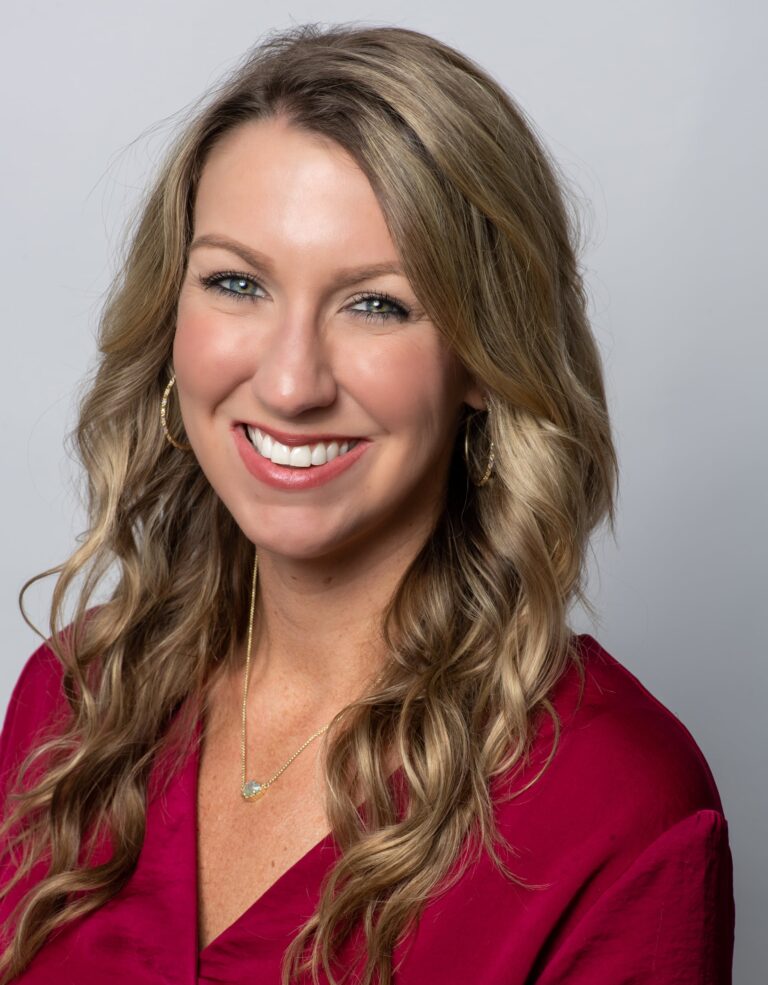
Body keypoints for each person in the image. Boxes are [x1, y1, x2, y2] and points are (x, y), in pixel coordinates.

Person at [0, 22, 734, 985]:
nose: (292, 381)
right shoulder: (78, 697)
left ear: (483, 358)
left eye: (376, 303)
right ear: (171, 321)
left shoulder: (622, 811)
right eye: (237, 282)